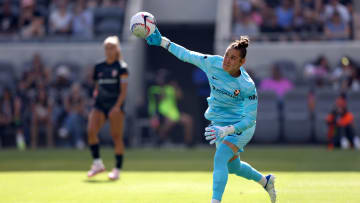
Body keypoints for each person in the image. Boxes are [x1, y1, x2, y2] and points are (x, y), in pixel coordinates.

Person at [145, 28, 276, 203]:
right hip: (218, 123)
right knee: (233, 167)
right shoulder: (213, 63)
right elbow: (187, 55)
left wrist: (227, 130)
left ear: (242, 62)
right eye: (227, 55)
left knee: (220, 157)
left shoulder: (247, 85)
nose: (227, 61)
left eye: (233, 58)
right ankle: (265, 181)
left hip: (240, 126)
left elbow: (250, 119)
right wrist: (162, 41)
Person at [87, 36, 128, 180]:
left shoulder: (121, 67)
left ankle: (117, 169)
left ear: (116, 49)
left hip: (115, 105)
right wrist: (95, 98)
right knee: (91, 131)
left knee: (116, 136)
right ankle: (97, 163)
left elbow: (123, 91)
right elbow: (96, 87)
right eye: (106, 48)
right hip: (100, 105)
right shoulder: (99, 67)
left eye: (111, 47)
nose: (108, 50)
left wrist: (117, 107)